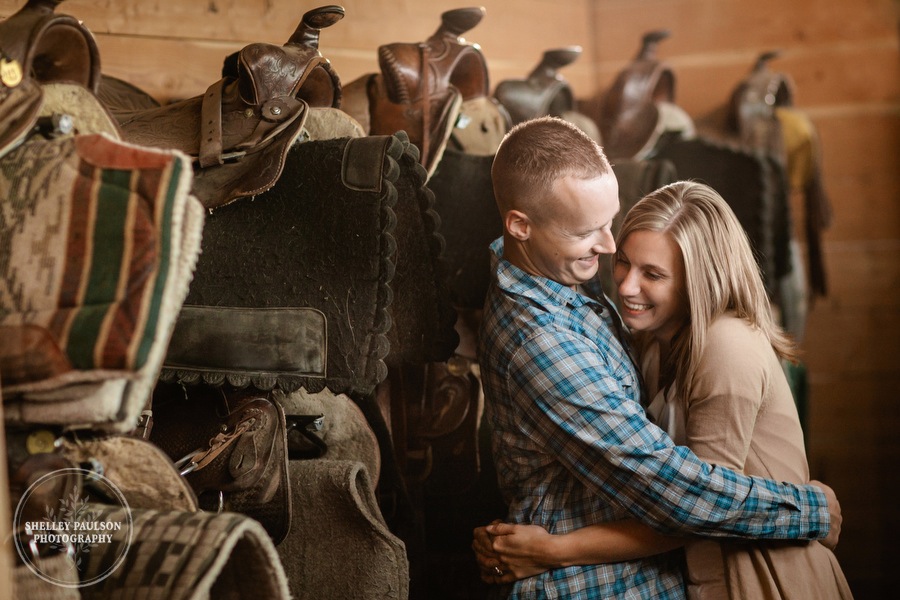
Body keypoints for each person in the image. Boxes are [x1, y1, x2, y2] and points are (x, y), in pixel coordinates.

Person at [474, 116, 842, 599]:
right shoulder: (542, 339)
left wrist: (554, 547)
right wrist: (812, 510)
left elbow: (685, 494)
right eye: (589, 232)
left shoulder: (563, 273)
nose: (608, 252)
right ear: (521, 226)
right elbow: (668, 490)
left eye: (611, 225)